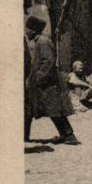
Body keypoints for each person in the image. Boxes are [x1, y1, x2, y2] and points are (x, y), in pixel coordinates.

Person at [24, 14, 80, 145]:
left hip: (48, 83)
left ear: (33, 30)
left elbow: (48, 62)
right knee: (42, 108)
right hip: (43, 82)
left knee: (54, 109)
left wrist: (37, 79)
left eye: (28, 29)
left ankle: (69, 135)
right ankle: (65, 134)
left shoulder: (43, 42)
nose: (26, 32)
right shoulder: (39, 41)